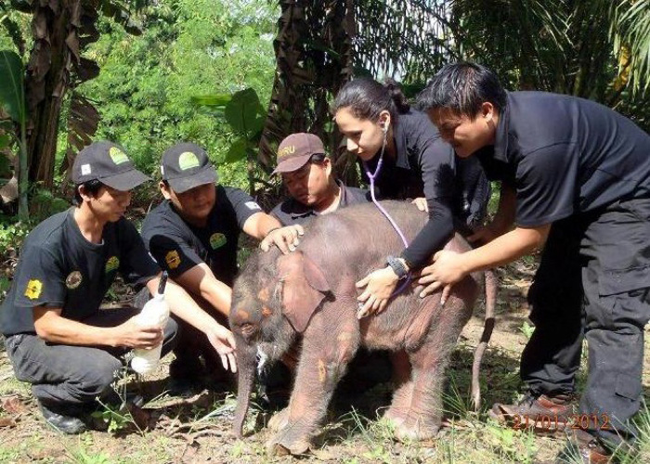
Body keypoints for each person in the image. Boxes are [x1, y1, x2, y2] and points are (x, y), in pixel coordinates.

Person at [416, 62, 650, 463]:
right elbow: (512, 180)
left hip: (630, 193)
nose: (443, 136)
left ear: (486, 111)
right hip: (579, 193)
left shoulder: (541, 142)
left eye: (450, 127)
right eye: (438, 127)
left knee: (613, 307)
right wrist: (498, 226)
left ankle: (607, 437)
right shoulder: (486, 136)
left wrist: (463, 263)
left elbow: (531, 237)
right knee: (555, 291)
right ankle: (550, 398)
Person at [0, 141, 236, 434]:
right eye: (116, 192)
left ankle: (93, 384)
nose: (126, 200)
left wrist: (212, 327)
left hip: (80, 321)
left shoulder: (118, 228)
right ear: (86, 192)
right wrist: (118, 335)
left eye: (129, 190)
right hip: (31, 339)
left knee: (168, 327)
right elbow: (47, 326)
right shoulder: (48, 244)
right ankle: (55, 397)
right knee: (102, 370)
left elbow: (159, 285)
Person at [140, 142, 302, 394]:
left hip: (228, 294)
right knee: (169, 311)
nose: (200, 196)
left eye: (205, 185)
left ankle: (219, 366)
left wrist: (273, 231)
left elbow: (256, 219)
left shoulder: (228, 198)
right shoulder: (159, 230)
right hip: (191, 300)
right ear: (165, 189)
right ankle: (186, 367)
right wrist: (262, 327)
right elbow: (206, 287)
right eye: (188, 189)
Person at [331, 77, 490, 318]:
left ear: (383, 120)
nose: (350, 146)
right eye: (345, 136)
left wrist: (395, 270)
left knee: (437, 266)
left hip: (459, 200)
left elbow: (443, 219)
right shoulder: (372, 148)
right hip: (419, 196)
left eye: (355, 134)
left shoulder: (431, 141)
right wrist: (409, 206)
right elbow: (385, 205)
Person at [269, 132, 372, 225]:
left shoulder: (369, 203)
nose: (296, 186)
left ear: (326, 166)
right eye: (289, 181)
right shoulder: (280, 219)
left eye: (301, 176)